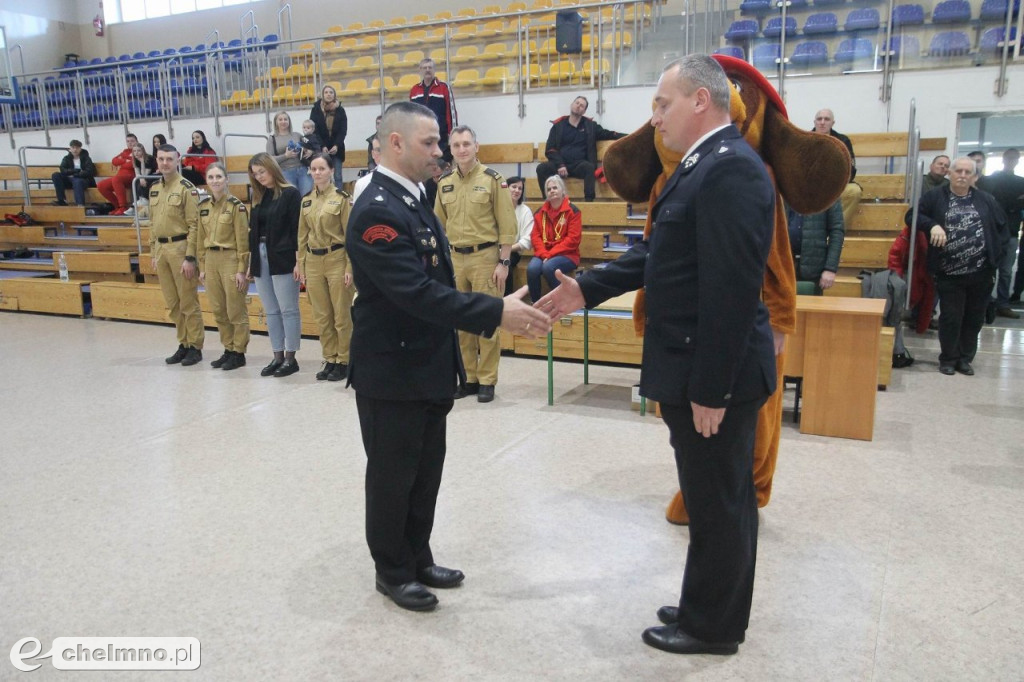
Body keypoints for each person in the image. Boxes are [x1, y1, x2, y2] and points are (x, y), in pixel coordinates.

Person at [537, 54, 777, 655]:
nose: (655, 118)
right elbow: (659, 256)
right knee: (711, 497)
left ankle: (712, 627)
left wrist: (712, 389)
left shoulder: (730, 171)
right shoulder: (700, 168)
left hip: (709, 370)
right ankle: (708, 599)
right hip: (696, 363)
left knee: (719, 503)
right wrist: (585, 288)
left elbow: (730, 290)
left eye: (663, 104)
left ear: (702, 100)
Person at [345, 101, 550, 613]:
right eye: (429, 143)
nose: (439, 151)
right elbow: (416, 292)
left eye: (440, 142)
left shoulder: (413, 198)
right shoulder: (376, 208)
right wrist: (492, 313)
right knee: (393, 477)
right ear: (395, 144)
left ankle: (416, 555)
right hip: (392, 372)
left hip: (425, 366)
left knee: (424, 472)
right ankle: (391, 571)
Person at [434, 125, 518, 403]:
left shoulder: (493, 180)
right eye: (456, 145)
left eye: (466, 144)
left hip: (485, 258)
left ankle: (487, 380)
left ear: (476, 146)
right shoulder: (444, 183)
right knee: (460, 324)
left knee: (486, 321)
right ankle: (468, 377)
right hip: (456, 259)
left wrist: (503, 262)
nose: (461, 149)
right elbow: (437, 226)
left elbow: (507, 225)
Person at [906, 157, 1008, 375]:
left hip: (981, 272)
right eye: (958, 171)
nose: (962, 175)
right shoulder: (935, 197)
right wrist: (932, 225)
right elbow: (912, 216)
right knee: (951, 317)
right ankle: (948, 359)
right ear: (950, 174)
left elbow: (1002, 230)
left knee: (974, 317)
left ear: (975, 177)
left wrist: (995, 257)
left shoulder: (986, 200)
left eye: (967, 172)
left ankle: (965, 359)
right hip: (949, 272)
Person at [246, 153, 303, 377]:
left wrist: (299, 261)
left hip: (283, 255)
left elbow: (297, 229)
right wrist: (252, 260)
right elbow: (253, 231)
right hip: (260, 254)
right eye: (255, 173)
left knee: (288, 309)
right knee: (271, 310)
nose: (259, 177)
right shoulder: (259, 196)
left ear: (272, 169)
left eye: (262, 171)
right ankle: (277, 355)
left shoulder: (290, 193)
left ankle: (291, 357)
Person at [298, 153, 354, 382]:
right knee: (322, 315)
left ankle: (345, 360)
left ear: (332, 171)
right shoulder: (306, 200)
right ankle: (330, 358)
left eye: (322, 168)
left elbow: (350, 236)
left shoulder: (341, 199)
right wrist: (300, 264)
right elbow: (302, 236)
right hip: (313, 261)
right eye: (314, 169)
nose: (317, 173)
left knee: (341, 315)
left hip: (337, 258)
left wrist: (350, 266)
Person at [149, 144, 204, 366]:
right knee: (173, 303)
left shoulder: (186, 188)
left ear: (177, 159)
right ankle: (183, 343)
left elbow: (194, 225)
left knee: (188, 301)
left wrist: (191, 257)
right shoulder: (154, 189)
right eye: (161, 159)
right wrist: (154, 251)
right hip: (162, 250)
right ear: (156, 160)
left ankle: (195, 346)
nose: (165, 163)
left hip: (181, 248)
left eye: (169, 159)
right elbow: (152, 224)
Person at [197, 162, 250, 371]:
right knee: (219, 309)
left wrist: (241, 269)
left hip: (230, 259)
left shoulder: (236, 206)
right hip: (211, 261)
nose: (215, 181)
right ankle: (228, 348)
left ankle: (239, 351)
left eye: (219, 177)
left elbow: (242, 240)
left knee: (235, 308)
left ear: (227, 180)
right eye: (211, 177)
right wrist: (201, 266)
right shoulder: (203, 208)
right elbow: (201, 239)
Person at [536, 95, 625, 202]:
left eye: (582, 105)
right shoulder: (558, 126)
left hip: (579, 166)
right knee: (541, 168)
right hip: (560, 165)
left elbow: (609, 134)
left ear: (584, 111)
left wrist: (629, 136)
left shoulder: (590, 126)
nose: (578, 106)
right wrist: (560, 164)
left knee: (589, 168)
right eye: (577, 103)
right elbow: (550, 149)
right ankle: (547, 201)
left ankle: (588, 202)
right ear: (571, 105)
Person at [977, 148, 1024, 317]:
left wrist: (1012, 204)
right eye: (1009, 158)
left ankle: (1003, 304)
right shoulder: (990, 181)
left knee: (1005, 271)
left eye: (1014, 158)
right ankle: (985, 302)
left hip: (1011, 232)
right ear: (1003, 159)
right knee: (987, 270)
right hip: (990, 232)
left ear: (1018, 160)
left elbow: (1018, 204)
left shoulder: (1021, 181)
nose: (1011, 160)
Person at [527, 175, 582, 302]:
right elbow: (535, 237)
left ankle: (564, 300)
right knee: (532, 269)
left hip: (568, 254)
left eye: (555, 188)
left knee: (549, 267)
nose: (552, 191)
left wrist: (550, 255)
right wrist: (545, 254)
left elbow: (573, 240)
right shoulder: (540, 212)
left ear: (563, 190)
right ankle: (536, 304)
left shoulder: (573, 211)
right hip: (544, 253)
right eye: (549, 189)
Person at [812, 108, 861, 228]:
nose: (822, 122)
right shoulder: (805, 139)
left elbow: (851, 169)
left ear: (833, 123)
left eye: (826, 119)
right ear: (815, 122)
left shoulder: (843, 141)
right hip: (812, 188)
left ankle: (836, 229)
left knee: (855, 191)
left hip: (836, 187)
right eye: (819, 119)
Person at [787, 198, 845, 293]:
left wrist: (830, 268)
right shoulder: (783, 187)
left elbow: (837, 231)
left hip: (813, 267)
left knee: (811, 306)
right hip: (784, 264)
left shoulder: (828, 191)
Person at [409, 58, 457, 162]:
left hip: (441, 140)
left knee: (442, 174)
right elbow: (411, 117)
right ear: (420, 70)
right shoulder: (414, 91)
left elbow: (451, 113)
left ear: (434, 70)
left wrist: (453, 136)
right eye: (424, 68)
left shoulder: (444, 88)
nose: (427, 70)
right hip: (421, 140)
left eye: (430, 67)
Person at [309, 84, 347, 187]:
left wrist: (336, 145)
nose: (328, 94)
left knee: (338, 176)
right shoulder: (315, 110)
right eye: (326, 92)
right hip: (321, 149)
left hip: (337, 149)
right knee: (322, 176)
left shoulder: (340, 110)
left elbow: (343, 131)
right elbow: (314, 130)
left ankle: (339, 198)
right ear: (322, 95)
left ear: (334, 95)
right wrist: (322, 146)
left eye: (331, 92)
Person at [267, 111, 310, 196]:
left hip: (303, 170)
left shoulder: (297, 135)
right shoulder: (272, 139)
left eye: (285, 119)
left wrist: (309, 150)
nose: (283, 121)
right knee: (292, 199)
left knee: (307, 197)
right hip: (285, 172)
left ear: (289, 121)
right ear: (276, 122)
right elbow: (270, 159)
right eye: (280, 119)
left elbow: (310, 144)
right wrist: (286, 156)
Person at [505, 175, 534, 297]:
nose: (517, 190)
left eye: (520, 188)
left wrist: (506, 249)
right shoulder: (494, 208)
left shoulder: (525, 211)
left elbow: (527, 240)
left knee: (505, 263)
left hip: (513, 251)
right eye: (514, 187)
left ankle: (507, 300)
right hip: (493, 249)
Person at [97, 132, 139, 215]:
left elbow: (131, 164)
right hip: (120, 178)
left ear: (136, 141)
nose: (130, 143)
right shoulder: (125, 152)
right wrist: (125, 160)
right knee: (101, 185)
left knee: (116, 179)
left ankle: (123, 206)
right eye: (128, 141)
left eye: (132, 141)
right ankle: (117, 206)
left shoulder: (138, 151)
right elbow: (114, 161)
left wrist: (123, 160)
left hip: (131, 177)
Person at [51, 139, 96, 207]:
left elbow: (89, 171)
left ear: (80, 149)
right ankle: (62, 200)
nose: (75, 150)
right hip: (69, 180)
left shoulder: (86, 158)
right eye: (73, 147)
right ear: (70, 149)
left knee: (77, 181)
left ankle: (80, 205)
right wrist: (75, 171)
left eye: (77, 148)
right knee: (55, 175)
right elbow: (62, 169)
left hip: (83, 180)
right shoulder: (66, 158)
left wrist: (76, 174)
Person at [124, 143, 157, 217]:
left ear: (143, 151)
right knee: (135, 181)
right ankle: (138, 201)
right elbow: (137, 174)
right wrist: (141, 178)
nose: (136, 153)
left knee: (141, 181)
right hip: (145, 178)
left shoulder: (149, 158)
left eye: (138, 151)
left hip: (154, 176)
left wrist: (142, 162)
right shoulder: (135, 159)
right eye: (134, 151)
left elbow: (145, 173)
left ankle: (141, 201)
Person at [352, 134, 381, 203]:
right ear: (373, 154)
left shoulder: (404, 181)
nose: (383, 153)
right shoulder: (362, 184)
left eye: (386, 149)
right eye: (378, 150)